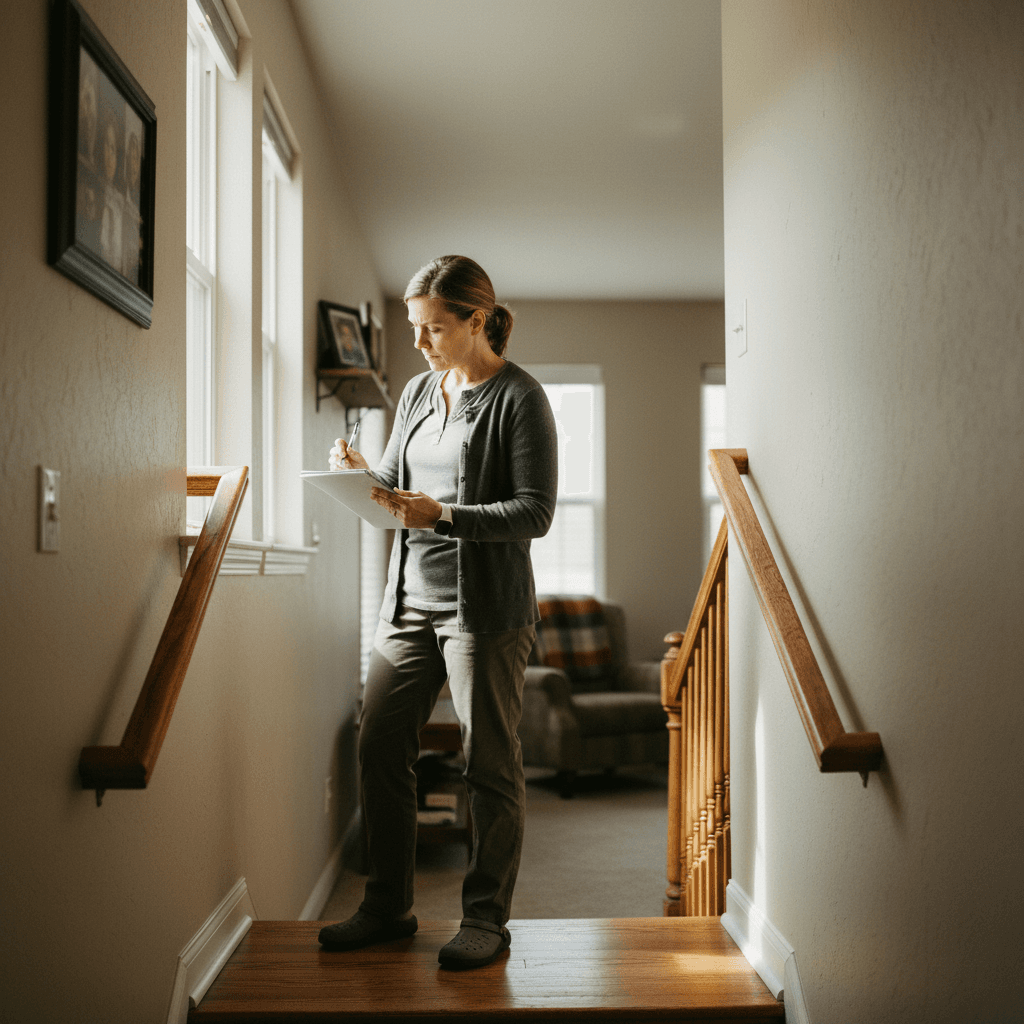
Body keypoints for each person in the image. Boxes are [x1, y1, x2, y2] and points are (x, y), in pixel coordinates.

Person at [317, 255, 558, 969]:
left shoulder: (520, 398)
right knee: (379, 745)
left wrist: (446, 515)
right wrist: (360, 474)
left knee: (488, 764)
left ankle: (485, 919)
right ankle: (387, 906)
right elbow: (396, 485)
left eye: (433, 328)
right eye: (414, 327)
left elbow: (535, 512)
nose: (418, 342)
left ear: (476, 320)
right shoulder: (420, 392)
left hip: (485, 614)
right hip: (407, 605)